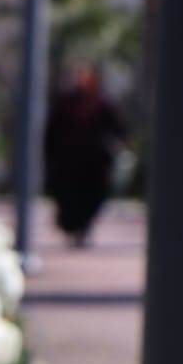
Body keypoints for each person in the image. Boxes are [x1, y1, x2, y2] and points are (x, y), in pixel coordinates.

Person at [44, 64, 128, 247]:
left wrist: (116, 145)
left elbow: (118, 129)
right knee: (68, 199)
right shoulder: (66, 103)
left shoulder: (101, 103)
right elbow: (52, 132)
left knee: (92, 198)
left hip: (94, 164)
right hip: (69, 163)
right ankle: (72, 228)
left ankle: (83, 228)